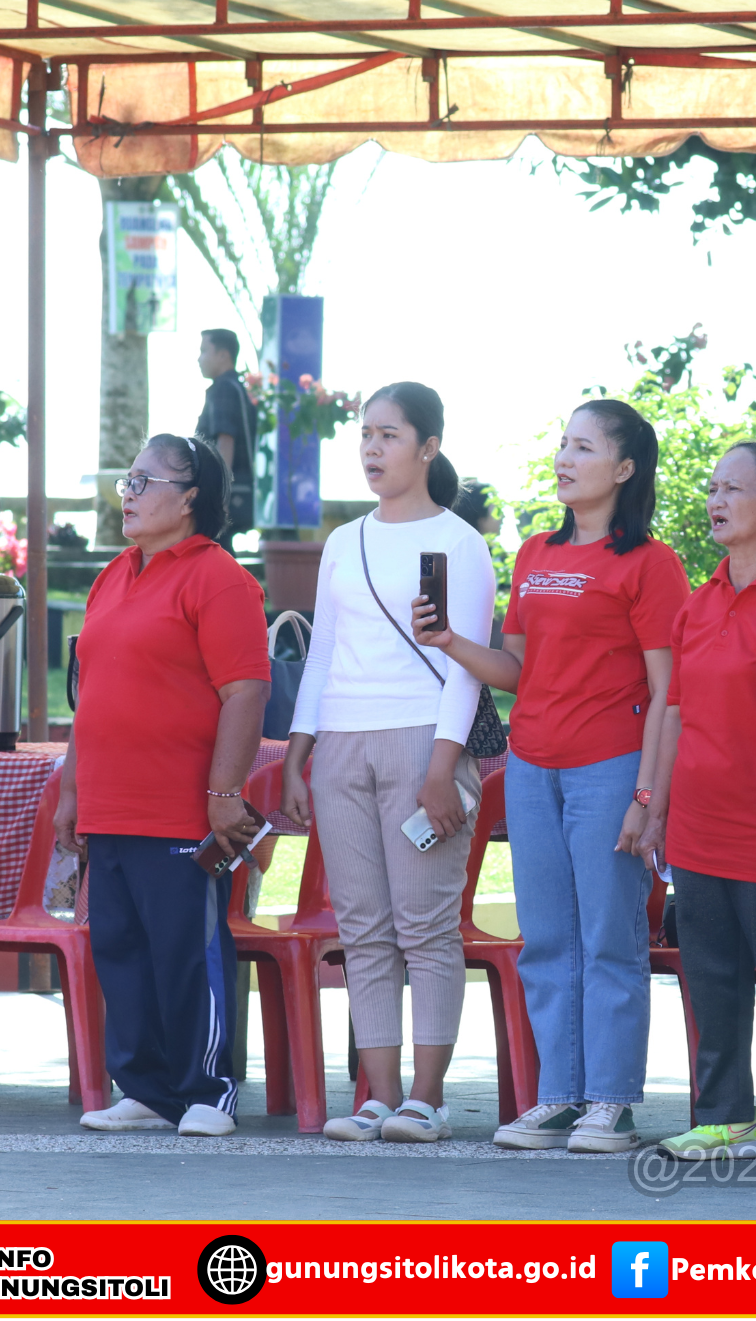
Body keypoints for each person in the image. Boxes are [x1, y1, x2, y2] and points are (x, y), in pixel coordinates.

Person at [418, 400, 688, 1154]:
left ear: (624, 468)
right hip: (533, 765)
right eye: (564, 444)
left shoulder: (651, 564)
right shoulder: (536, 552)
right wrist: (449, 641)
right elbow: (517, 670)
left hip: (611, 768)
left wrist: (647, 796)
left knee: (609, 938)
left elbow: (669, 691)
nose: (565, 459)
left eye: (584, 447)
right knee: (545, 939)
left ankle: (612, 1102)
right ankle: (559, 1097)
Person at [277, 383, 492, 1145]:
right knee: (363, 927)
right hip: (341, 743)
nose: (372, 448)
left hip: (423, 740)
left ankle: (426, 1099)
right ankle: (379, 1095)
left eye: (390, 435)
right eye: (366, 434)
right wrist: (300, 751)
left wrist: (441, 766)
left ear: (428, 447)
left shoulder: (460, 542)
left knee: (425, 926)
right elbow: (324, 652)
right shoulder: (345, 539)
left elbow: (466, 666)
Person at [57, 434, 271, 1137]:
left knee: (188, 952)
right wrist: (70, 794)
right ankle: (146, 1088)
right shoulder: (113, 574)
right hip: (109, 803)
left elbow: (245, 691)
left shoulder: (219, 578)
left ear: (190, 498)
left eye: (145, 481)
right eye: (128, 478)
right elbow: (89, 695)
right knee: (121, 950)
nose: (128, 492)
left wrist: (224, 793)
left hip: (181, 807)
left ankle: (207, 1091)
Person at [636, 442, 756, 1165]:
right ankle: (724, 1115)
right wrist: (655, 808)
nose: (716, 501)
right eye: (713, 488)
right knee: (710, 975)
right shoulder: (698, 603)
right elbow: (675, 711)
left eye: (733, 490)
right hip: (698, 823)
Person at [194, 329, 256, 542]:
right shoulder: (237, 387)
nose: (199, 359)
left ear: (223, 355)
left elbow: (225, 441)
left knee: (214, 546)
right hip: (241, 487)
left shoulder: (223, 389)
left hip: (226, 491)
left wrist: (222, 494)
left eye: (204, 351)